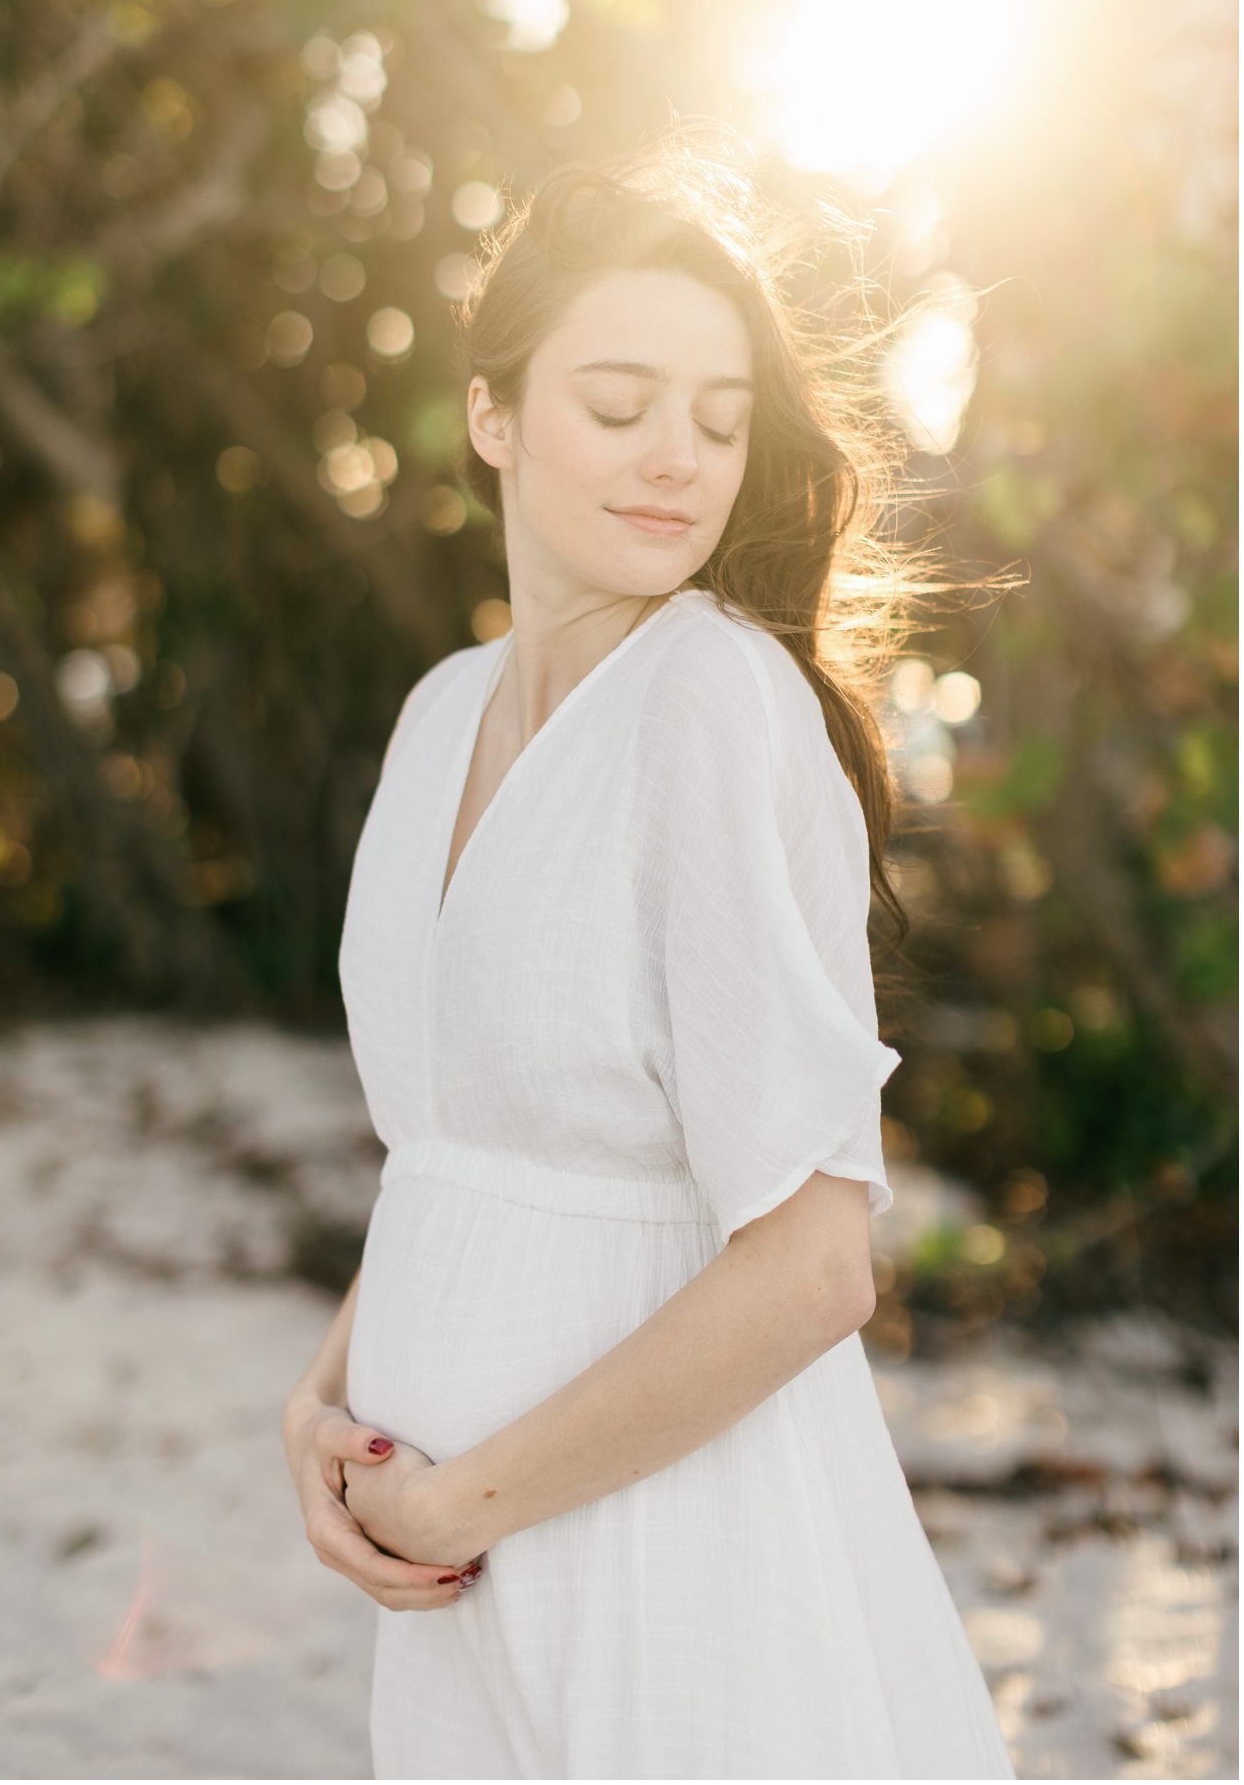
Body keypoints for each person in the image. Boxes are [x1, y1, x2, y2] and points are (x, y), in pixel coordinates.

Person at [283, 129, 1017, 1780]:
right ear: (492, 414)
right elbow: (460, 1148)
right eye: (617, 406)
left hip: (662, 1549)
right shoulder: (436, 715)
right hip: (453, 1561)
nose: (674, 458)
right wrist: (320, 1407)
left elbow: (818, 1262)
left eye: (714, 416)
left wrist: (460, 1499)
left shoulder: (713, 704)